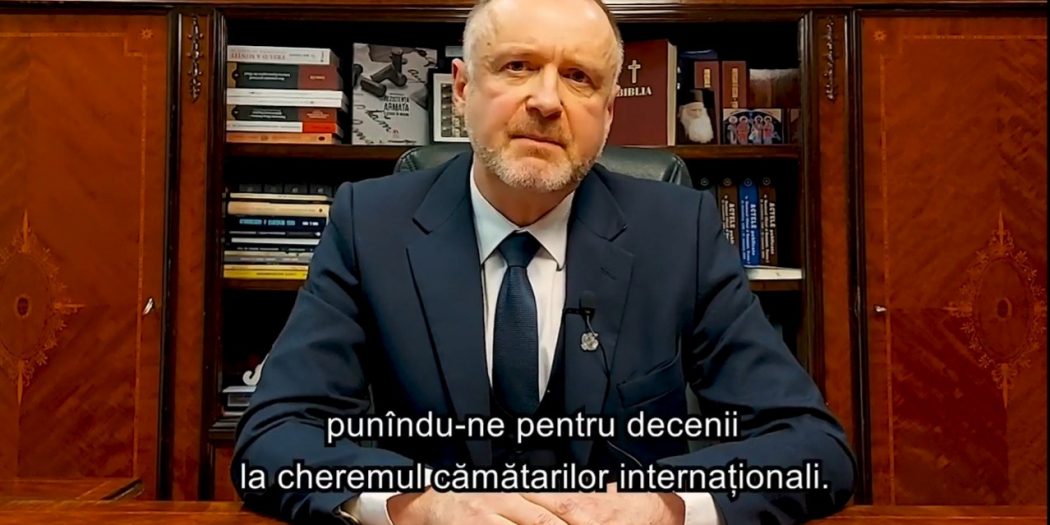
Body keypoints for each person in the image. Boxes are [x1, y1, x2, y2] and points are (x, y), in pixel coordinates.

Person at [232, 0, 856, 523]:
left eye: (580, 77)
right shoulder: (370, 225)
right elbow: (275, 436)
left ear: (608, 115)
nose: (547, 100)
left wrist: (664, 506)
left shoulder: (678, 233)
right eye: (518, 66)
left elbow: (812, 448)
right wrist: (416, 504)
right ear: (462, 89)